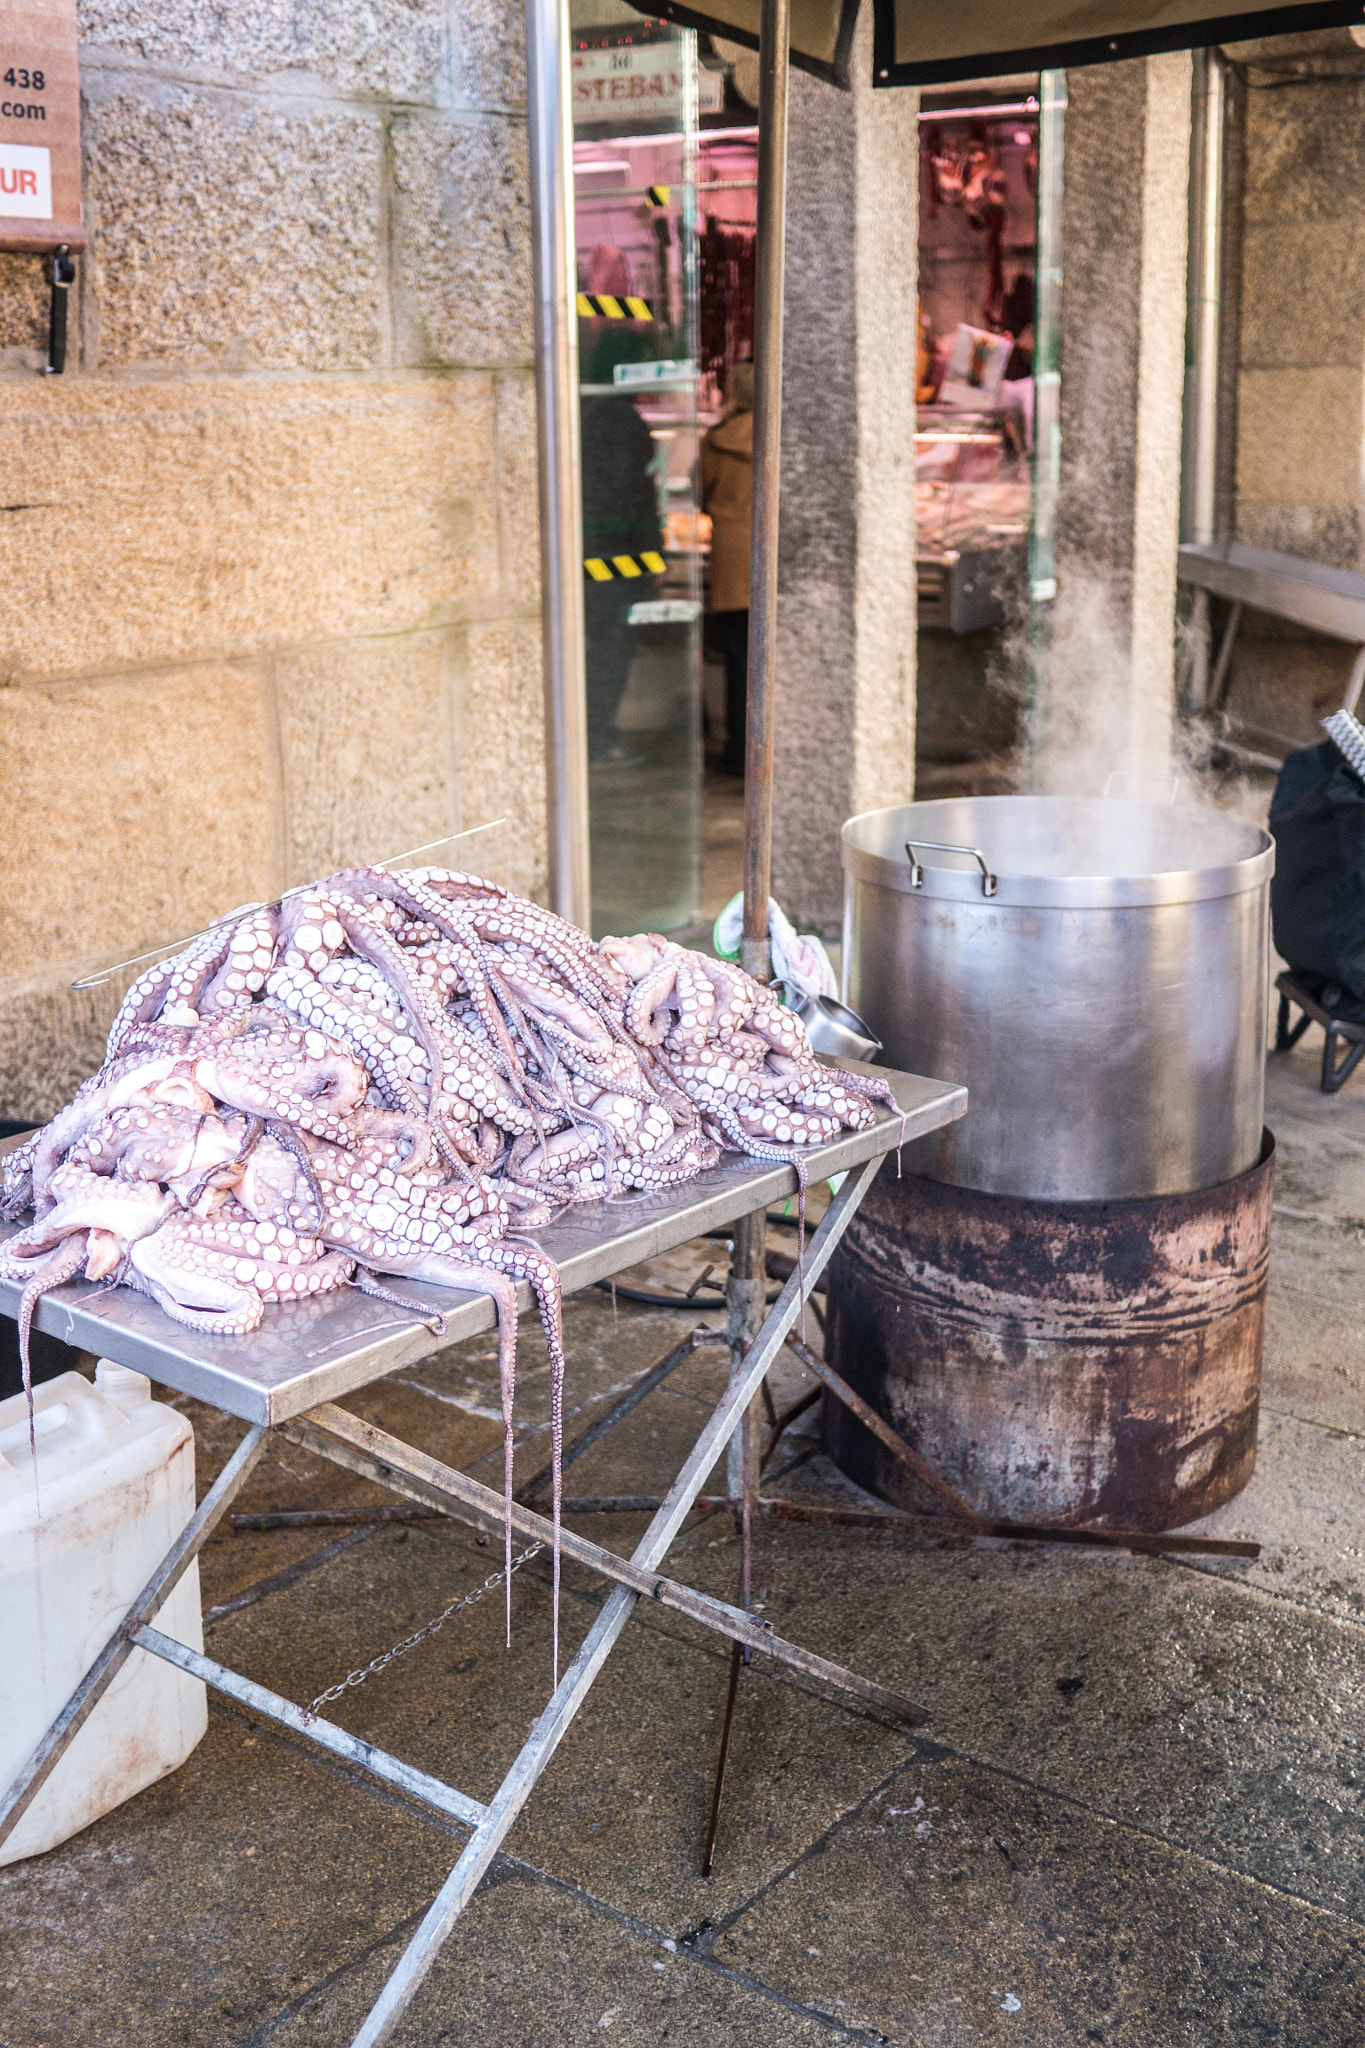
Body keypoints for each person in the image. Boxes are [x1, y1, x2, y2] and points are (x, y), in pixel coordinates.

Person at [700, 360, 753, 779]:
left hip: (732, 557)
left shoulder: (716, 440)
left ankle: (738, 751)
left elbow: (700, 493)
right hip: (775, 558)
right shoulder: (783, 436)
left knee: (738, 661)